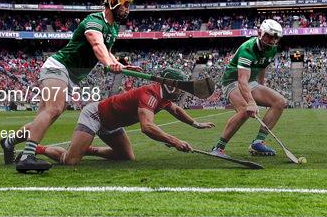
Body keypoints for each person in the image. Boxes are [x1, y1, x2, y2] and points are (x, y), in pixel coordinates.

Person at [0, 0, 140, 173]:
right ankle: (26, 157)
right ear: (113, 2)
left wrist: (119, 64)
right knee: (55, 109)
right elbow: (97, 45)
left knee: (44, 117)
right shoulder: (95, 21)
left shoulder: (113, 27)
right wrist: (108, 63)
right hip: (58, 67)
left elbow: (107, 51)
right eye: (125, 5)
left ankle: (8, 142)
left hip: (69, 75)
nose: (127, 10)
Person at [35, 68, 215, 165]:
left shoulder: (163, 97)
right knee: (71, 161)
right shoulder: (150, 94)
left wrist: (195, 124)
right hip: (96, 115)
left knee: (127, 157)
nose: (180, 91)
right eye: (178, 86)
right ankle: (40, 149)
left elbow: (176, 110)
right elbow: (147, 127)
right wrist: (174, 140)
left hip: (112, 124)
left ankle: (87, 149)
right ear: (167, 84)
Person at [211, 19, 287, 157]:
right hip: (232, 82)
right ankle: (218, 148)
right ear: (260, 33)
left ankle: (258, 143)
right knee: (245, 110)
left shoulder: (272, 48)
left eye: (275, 38)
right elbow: (242, 80)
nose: (271, 40)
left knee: (280, 102)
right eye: (269, 36)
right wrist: (251, 102)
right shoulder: (248, 49)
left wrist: (261, 86)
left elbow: (262, 66)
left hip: (251, 82)